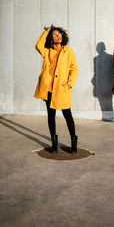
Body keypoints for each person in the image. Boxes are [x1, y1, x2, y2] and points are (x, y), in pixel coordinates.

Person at [34, 25, 78, 153]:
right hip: (49, 88)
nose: (58, 36)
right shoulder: (47, 51)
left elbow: (74, 68)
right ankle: (54, 145)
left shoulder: (69, 51)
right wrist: (46, 32)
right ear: (50, 38)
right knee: (51, 116)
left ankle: (74, 144)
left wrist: (70, 83)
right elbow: (38, 45)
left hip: (62, 88)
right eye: (54, 34)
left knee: (67, 115)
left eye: (59, 34)